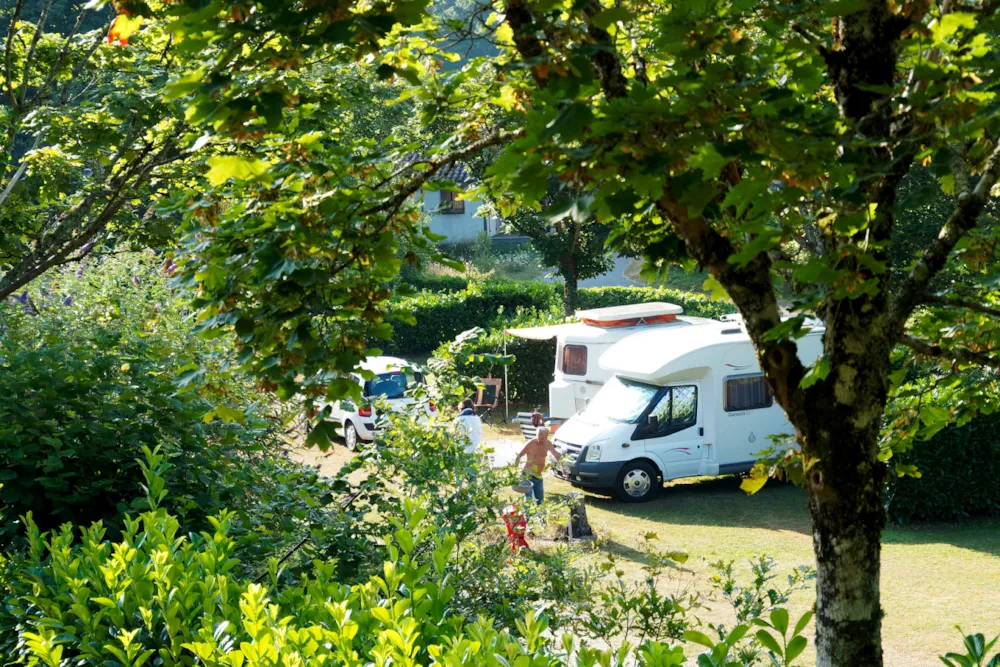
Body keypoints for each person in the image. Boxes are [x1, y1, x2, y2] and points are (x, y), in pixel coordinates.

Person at [514, 427, 561, 505]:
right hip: (527, 474)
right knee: (529, 499)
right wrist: (515, 470)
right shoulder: (531, 443)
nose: (540, 440)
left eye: (543, 438)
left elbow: (556, 455)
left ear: (547, 436)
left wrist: (564, 467)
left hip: (538, 476)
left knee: (540, 500)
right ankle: (527, 516)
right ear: (536, 435)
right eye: (539, 437)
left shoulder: (548, 444)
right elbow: (519, 456)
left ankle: (539, 516)